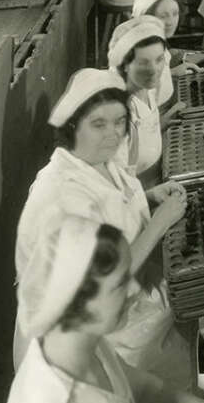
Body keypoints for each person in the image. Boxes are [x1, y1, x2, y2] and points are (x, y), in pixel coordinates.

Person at [14, 69, 192, 385]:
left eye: (119, 122)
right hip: (102, 338)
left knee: (175, 378)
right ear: (72, 126)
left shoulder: (101, 161)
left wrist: (149, 198)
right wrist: (161, 222)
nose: (112, 133)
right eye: (99, 123)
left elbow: (113, 211)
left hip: (139, 312)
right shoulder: (59, 196)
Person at [9, 215, 204, 403]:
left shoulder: (82, 342)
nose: (134, 290)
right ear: (78, 300)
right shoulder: (55, 395)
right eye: (120, 285)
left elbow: (144, 387)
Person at [107, 17, 170, 180]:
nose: (154, 70)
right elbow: (116, 184)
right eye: (143, 62)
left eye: (159, 59)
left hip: (158, 172)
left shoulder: (146, 88)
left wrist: (163, 122)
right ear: (125, 65)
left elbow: (141, 139)